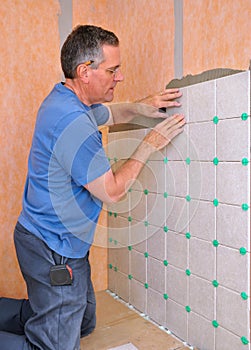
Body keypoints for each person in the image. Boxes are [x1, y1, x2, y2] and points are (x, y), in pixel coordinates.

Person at [0, 25, 185, 350]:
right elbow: (111, 191)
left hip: (52, 238)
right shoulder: (72, 123)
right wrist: (148, 146)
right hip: (52, 249)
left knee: (83, 322)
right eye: (113, 70)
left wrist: (144, 105)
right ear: (85, 71)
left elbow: (109, 113)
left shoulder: (66, 98)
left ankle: (44, 312)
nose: (120, 77)